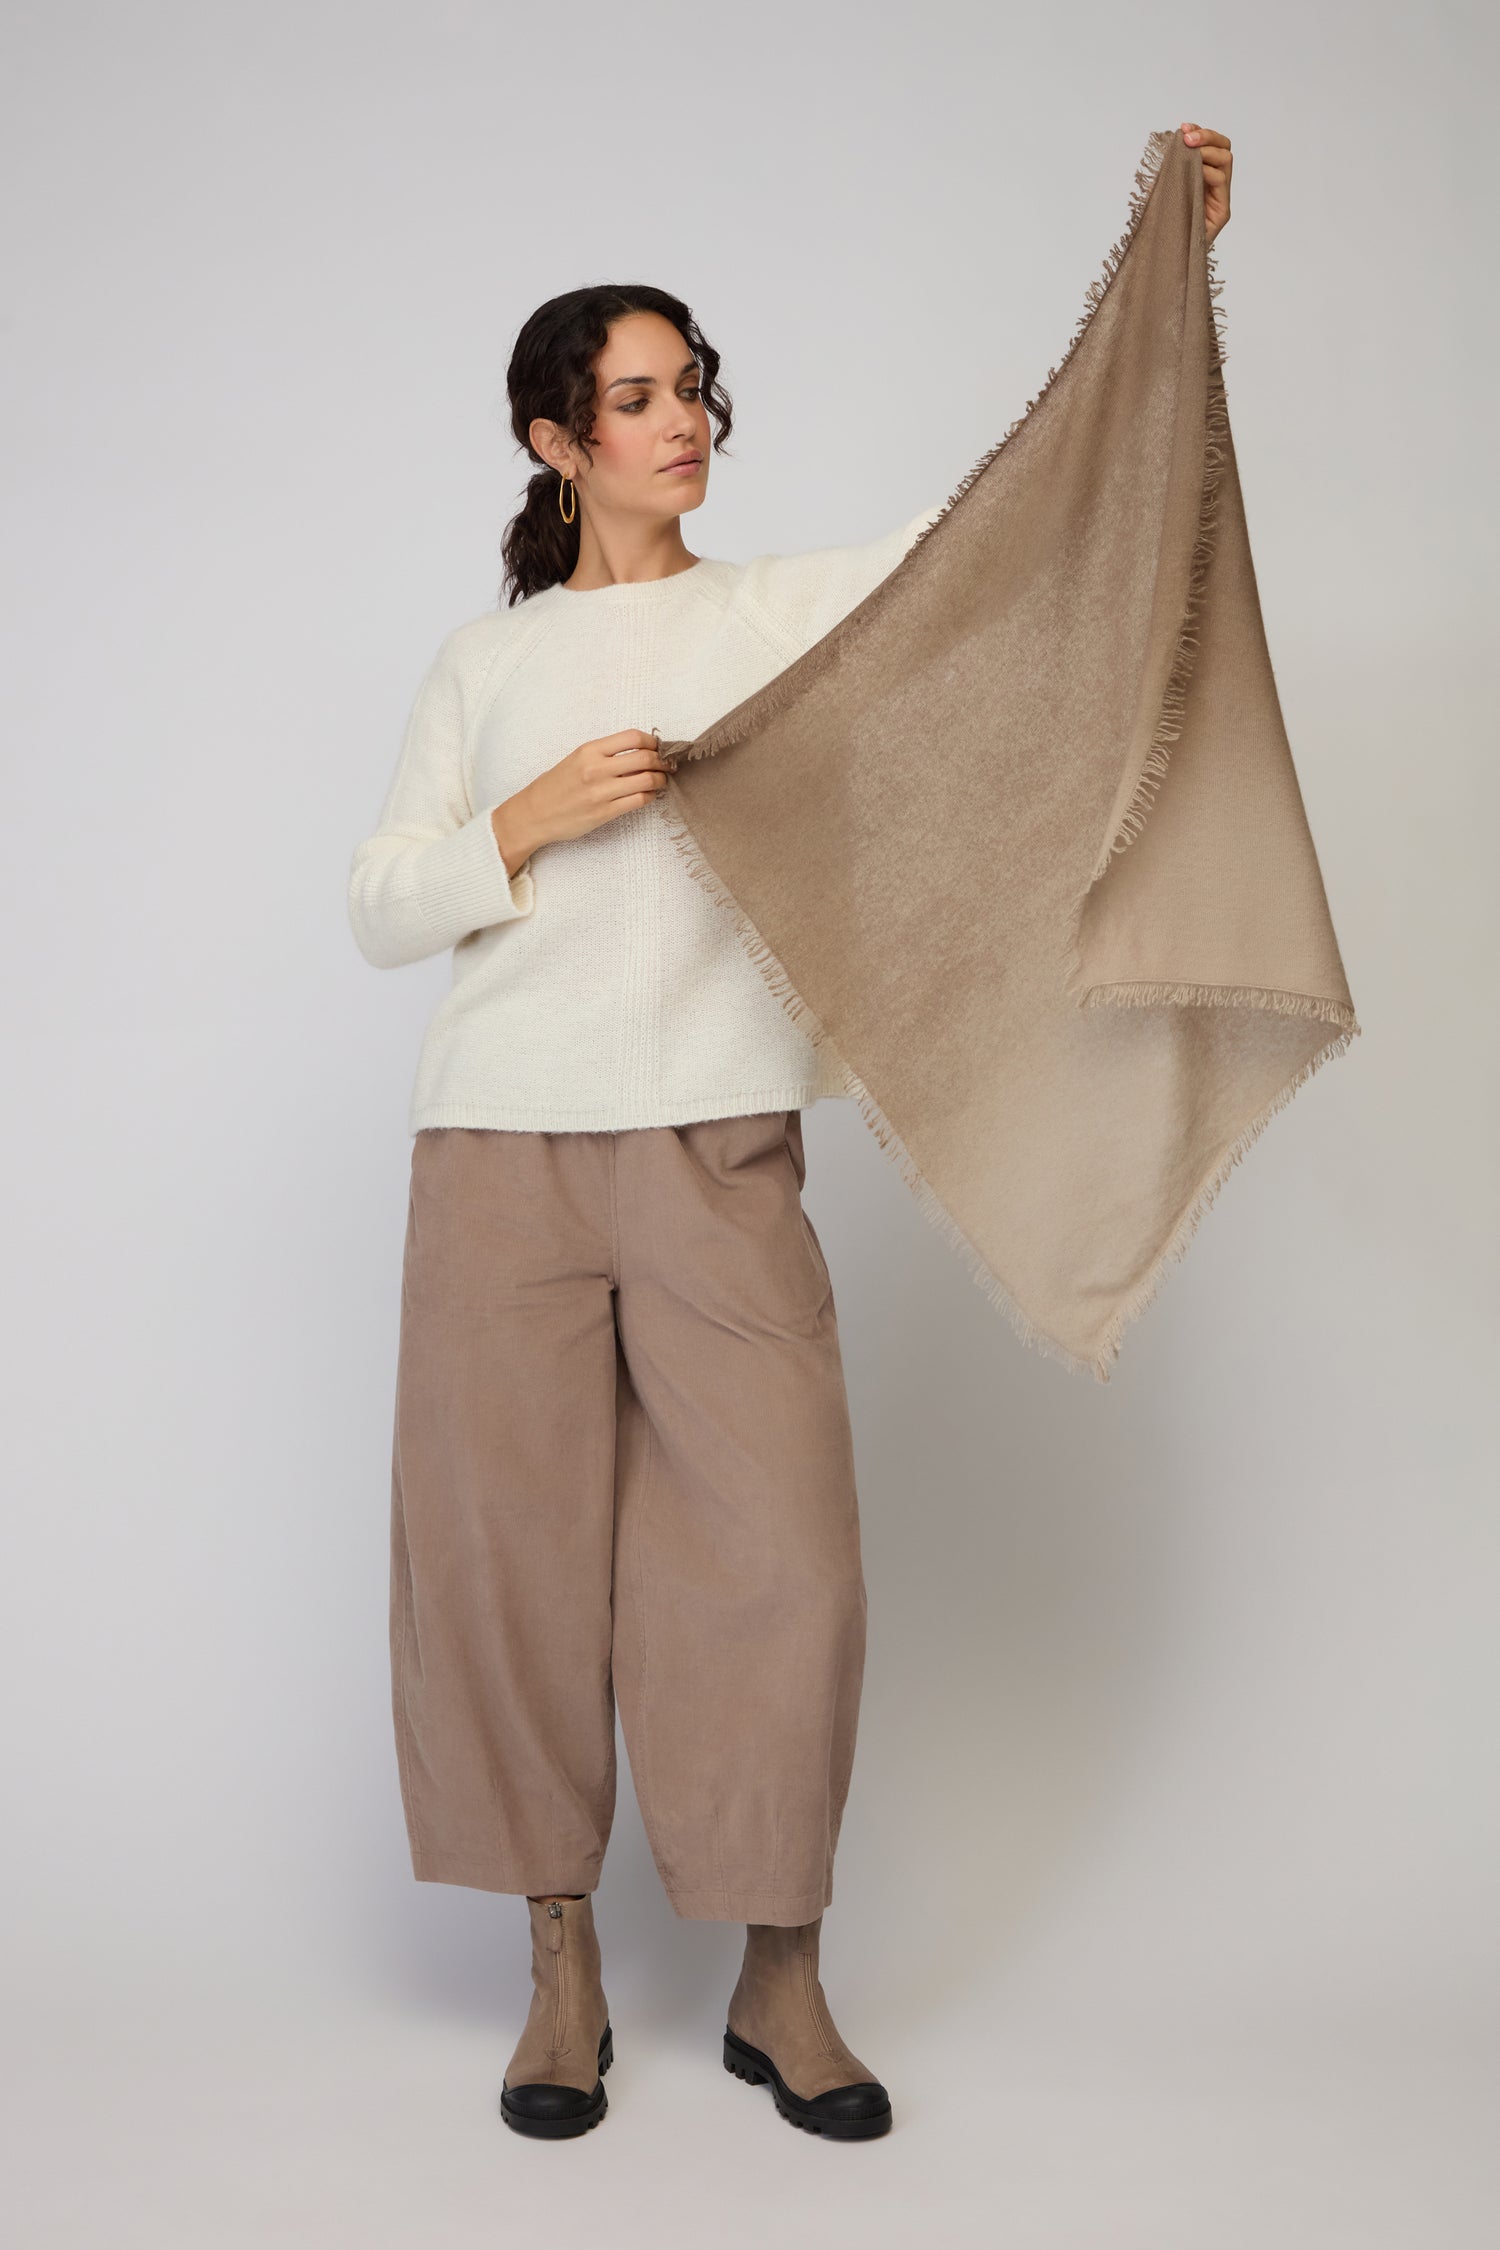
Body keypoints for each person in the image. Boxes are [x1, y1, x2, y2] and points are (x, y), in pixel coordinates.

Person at [347, 123, 1233, 2145]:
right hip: (495, 1143)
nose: (687, 422)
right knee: (502, 1557)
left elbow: (1025, 525)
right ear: (554, 438)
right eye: (641, 398)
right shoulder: (485, 664)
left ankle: (780, 1975)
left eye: (694, 388)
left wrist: (1159, 280)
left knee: (785, 1565)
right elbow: (379, 897)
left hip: (718, 1146)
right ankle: (558, 1960)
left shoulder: (787, 612)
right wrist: (521, 824)